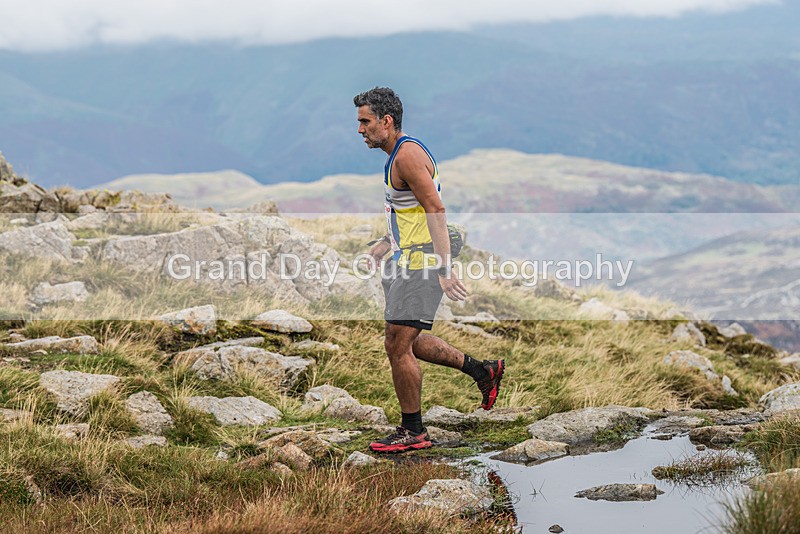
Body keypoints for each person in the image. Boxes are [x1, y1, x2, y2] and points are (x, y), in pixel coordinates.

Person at [354, 87, 505, 453]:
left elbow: (435, 209)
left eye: (365, 122)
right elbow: (411, 211)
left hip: (423, 265)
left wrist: (443, 268)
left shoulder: (405, 156)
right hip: (408, 259)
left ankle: (414, 431)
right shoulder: (400, 154)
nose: (360, 130)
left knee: (396, 345)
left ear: (386, 122)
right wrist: (386, 243)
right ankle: (483, 371)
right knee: (411, 340)